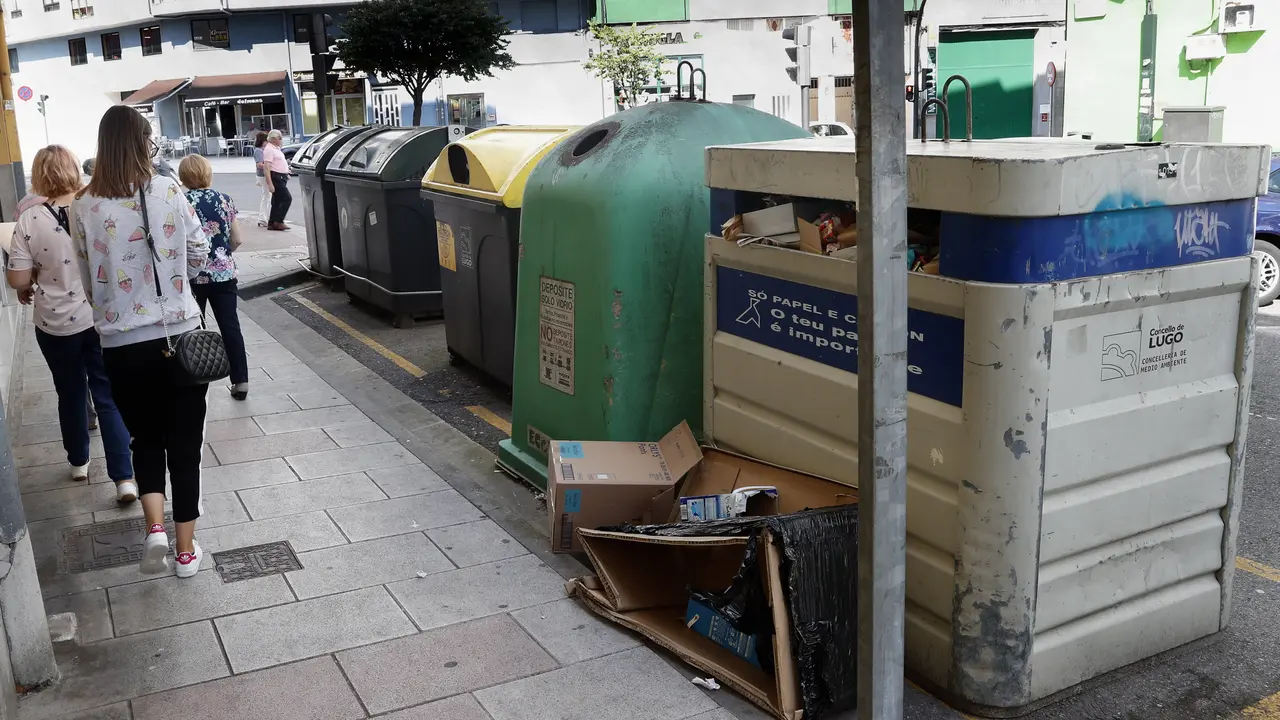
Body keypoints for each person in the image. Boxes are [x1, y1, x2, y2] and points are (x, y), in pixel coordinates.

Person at [73, 106, 211, 579]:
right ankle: (186, 552)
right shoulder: (169, 188)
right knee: (186, 443)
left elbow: (87, 275)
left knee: (145, 438)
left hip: (120, 341)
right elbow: (198, 249)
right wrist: (180, 282)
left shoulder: (83, 204)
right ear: (142, 142)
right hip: (177, 333)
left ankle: (154, 530)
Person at [4, 145, 136, 501]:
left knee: (70, 392)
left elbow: (17, 280)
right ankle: (124, 477)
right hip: (100, 318)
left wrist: (31, 278)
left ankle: (79, 462)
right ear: (75, 169)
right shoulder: (96, 206)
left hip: (54, 323)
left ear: (40, 175)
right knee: (107, 395)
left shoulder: (30, 219)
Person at [178, 154, 249, 401]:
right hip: (224, 274)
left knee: (194, 328)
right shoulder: (224, 200)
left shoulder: (180, 202)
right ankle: (241, 381)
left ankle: (196, 379)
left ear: (183, 176)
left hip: (193, 277)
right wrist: (223, 256)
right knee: (230, 326)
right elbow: (237, 239)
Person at [262, 129, 291, 231]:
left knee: (277, 200)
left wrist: (286, 172)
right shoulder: (269, 150)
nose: (281, 140)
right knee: (286, 198)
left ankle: (272, 222)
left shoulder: (276, 148)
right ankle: (279, 221)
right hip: (276, 177)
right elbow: (267, 168)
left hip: (282, 176)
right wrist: (270, 184)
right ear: (273, 139)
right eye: (280, 138)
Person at [251, 131, 269, 228]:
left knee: (266, 196)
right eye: (266, 140)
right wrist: (269, 165)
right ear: (262, 141)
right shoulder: (258, 151)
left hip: (263, 175)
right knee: (266, 197)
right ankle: (263, 218)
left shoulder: (261, 149)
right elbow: (259, 164)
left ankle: (264, 217)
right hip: (263, 175)